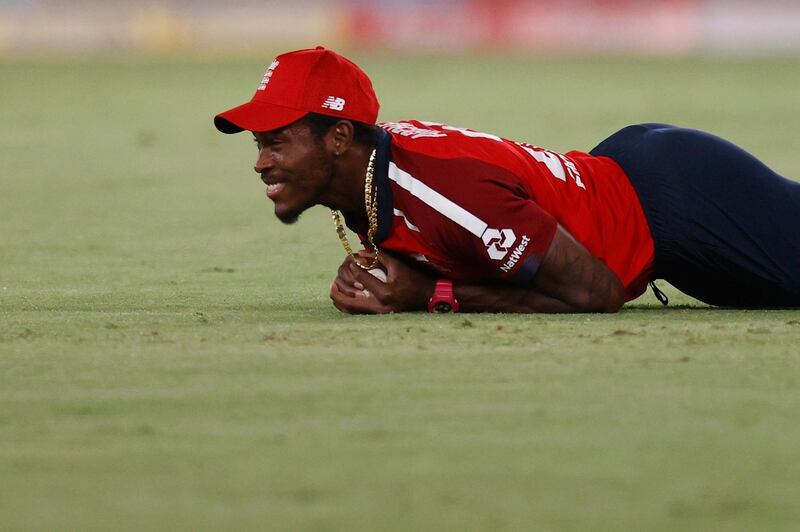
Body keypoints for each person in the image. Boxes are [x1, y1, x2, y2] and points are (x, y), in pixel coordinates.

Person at [213, 46, 800, 314]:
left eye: (275, 141)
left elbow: (597, 292)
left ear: (338, 137)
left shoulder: (435, 188)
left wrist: (431, 296)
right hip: (637, 196)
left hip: (675, 200)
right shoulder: (375, 170)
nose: (261, 162)